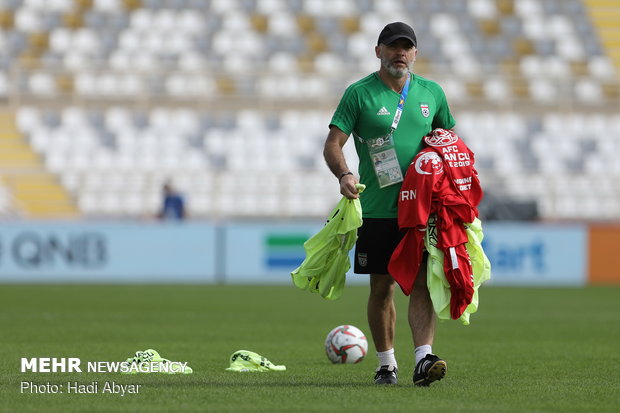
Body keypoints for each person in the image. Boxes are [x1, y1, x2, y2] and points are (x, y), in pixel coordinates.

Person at [323, 22, 456, 386]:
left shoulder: (432, 93)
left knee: (423, 284)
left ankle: (423, 360)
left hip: (423, 211)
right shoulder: (359, 93)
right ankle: (386, 364)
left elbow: (449, 143)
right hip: (379, 208)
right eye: (393, 46)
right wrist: (345, 174)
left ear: (415, 53)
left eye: (406, 47)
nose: (400, 52)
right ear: (378, 51)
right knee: (382, 287)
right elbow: (333, 143)